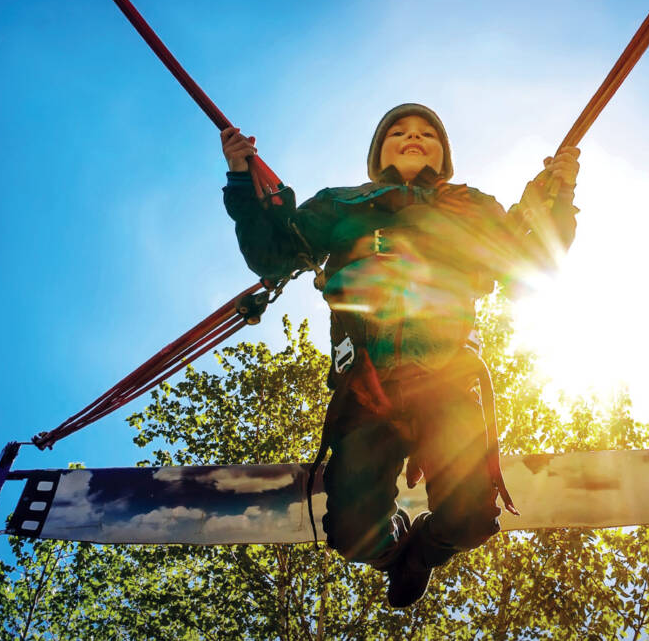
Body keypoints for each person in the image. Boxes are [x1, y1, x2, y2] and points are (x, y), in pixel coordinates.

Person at [221, 103, 579, 607]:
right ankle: (394, 554)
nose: (414, 138)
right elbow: (276, 253)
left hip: (446, 380)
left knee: (472, 519)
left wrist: (557, 196)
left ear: (443, 153)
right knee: (350, 533)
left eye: (428, 134)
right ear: (378, 151)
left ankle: (424, 550)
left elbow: (530, 260)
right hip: (367, 385)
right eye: (399, 132)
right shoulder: (340, 204)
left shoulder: (471, 206)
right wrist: (243, 179)